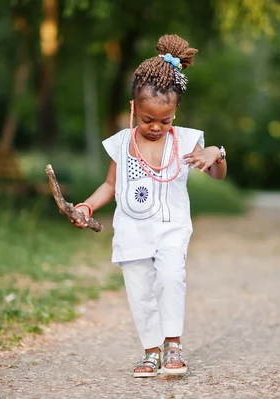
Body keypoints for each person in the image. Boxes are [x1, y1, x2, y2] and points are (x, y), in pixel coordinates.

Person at [70, 34, 227, 377]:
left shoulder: (187, 140)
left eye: (165, 120)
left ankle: (173, 345)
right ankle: (151, 351)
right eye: (147, 119)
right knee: (139, 292)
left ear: (175, 113)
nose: (156, 127)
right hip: (132, 231)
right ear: (133, 109)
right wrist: (86, 207)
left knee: (171, 277)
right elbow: (110, 185)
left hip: (171, 228)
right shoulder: (121, 143)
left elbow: (217, 174)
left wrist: (216, 153)